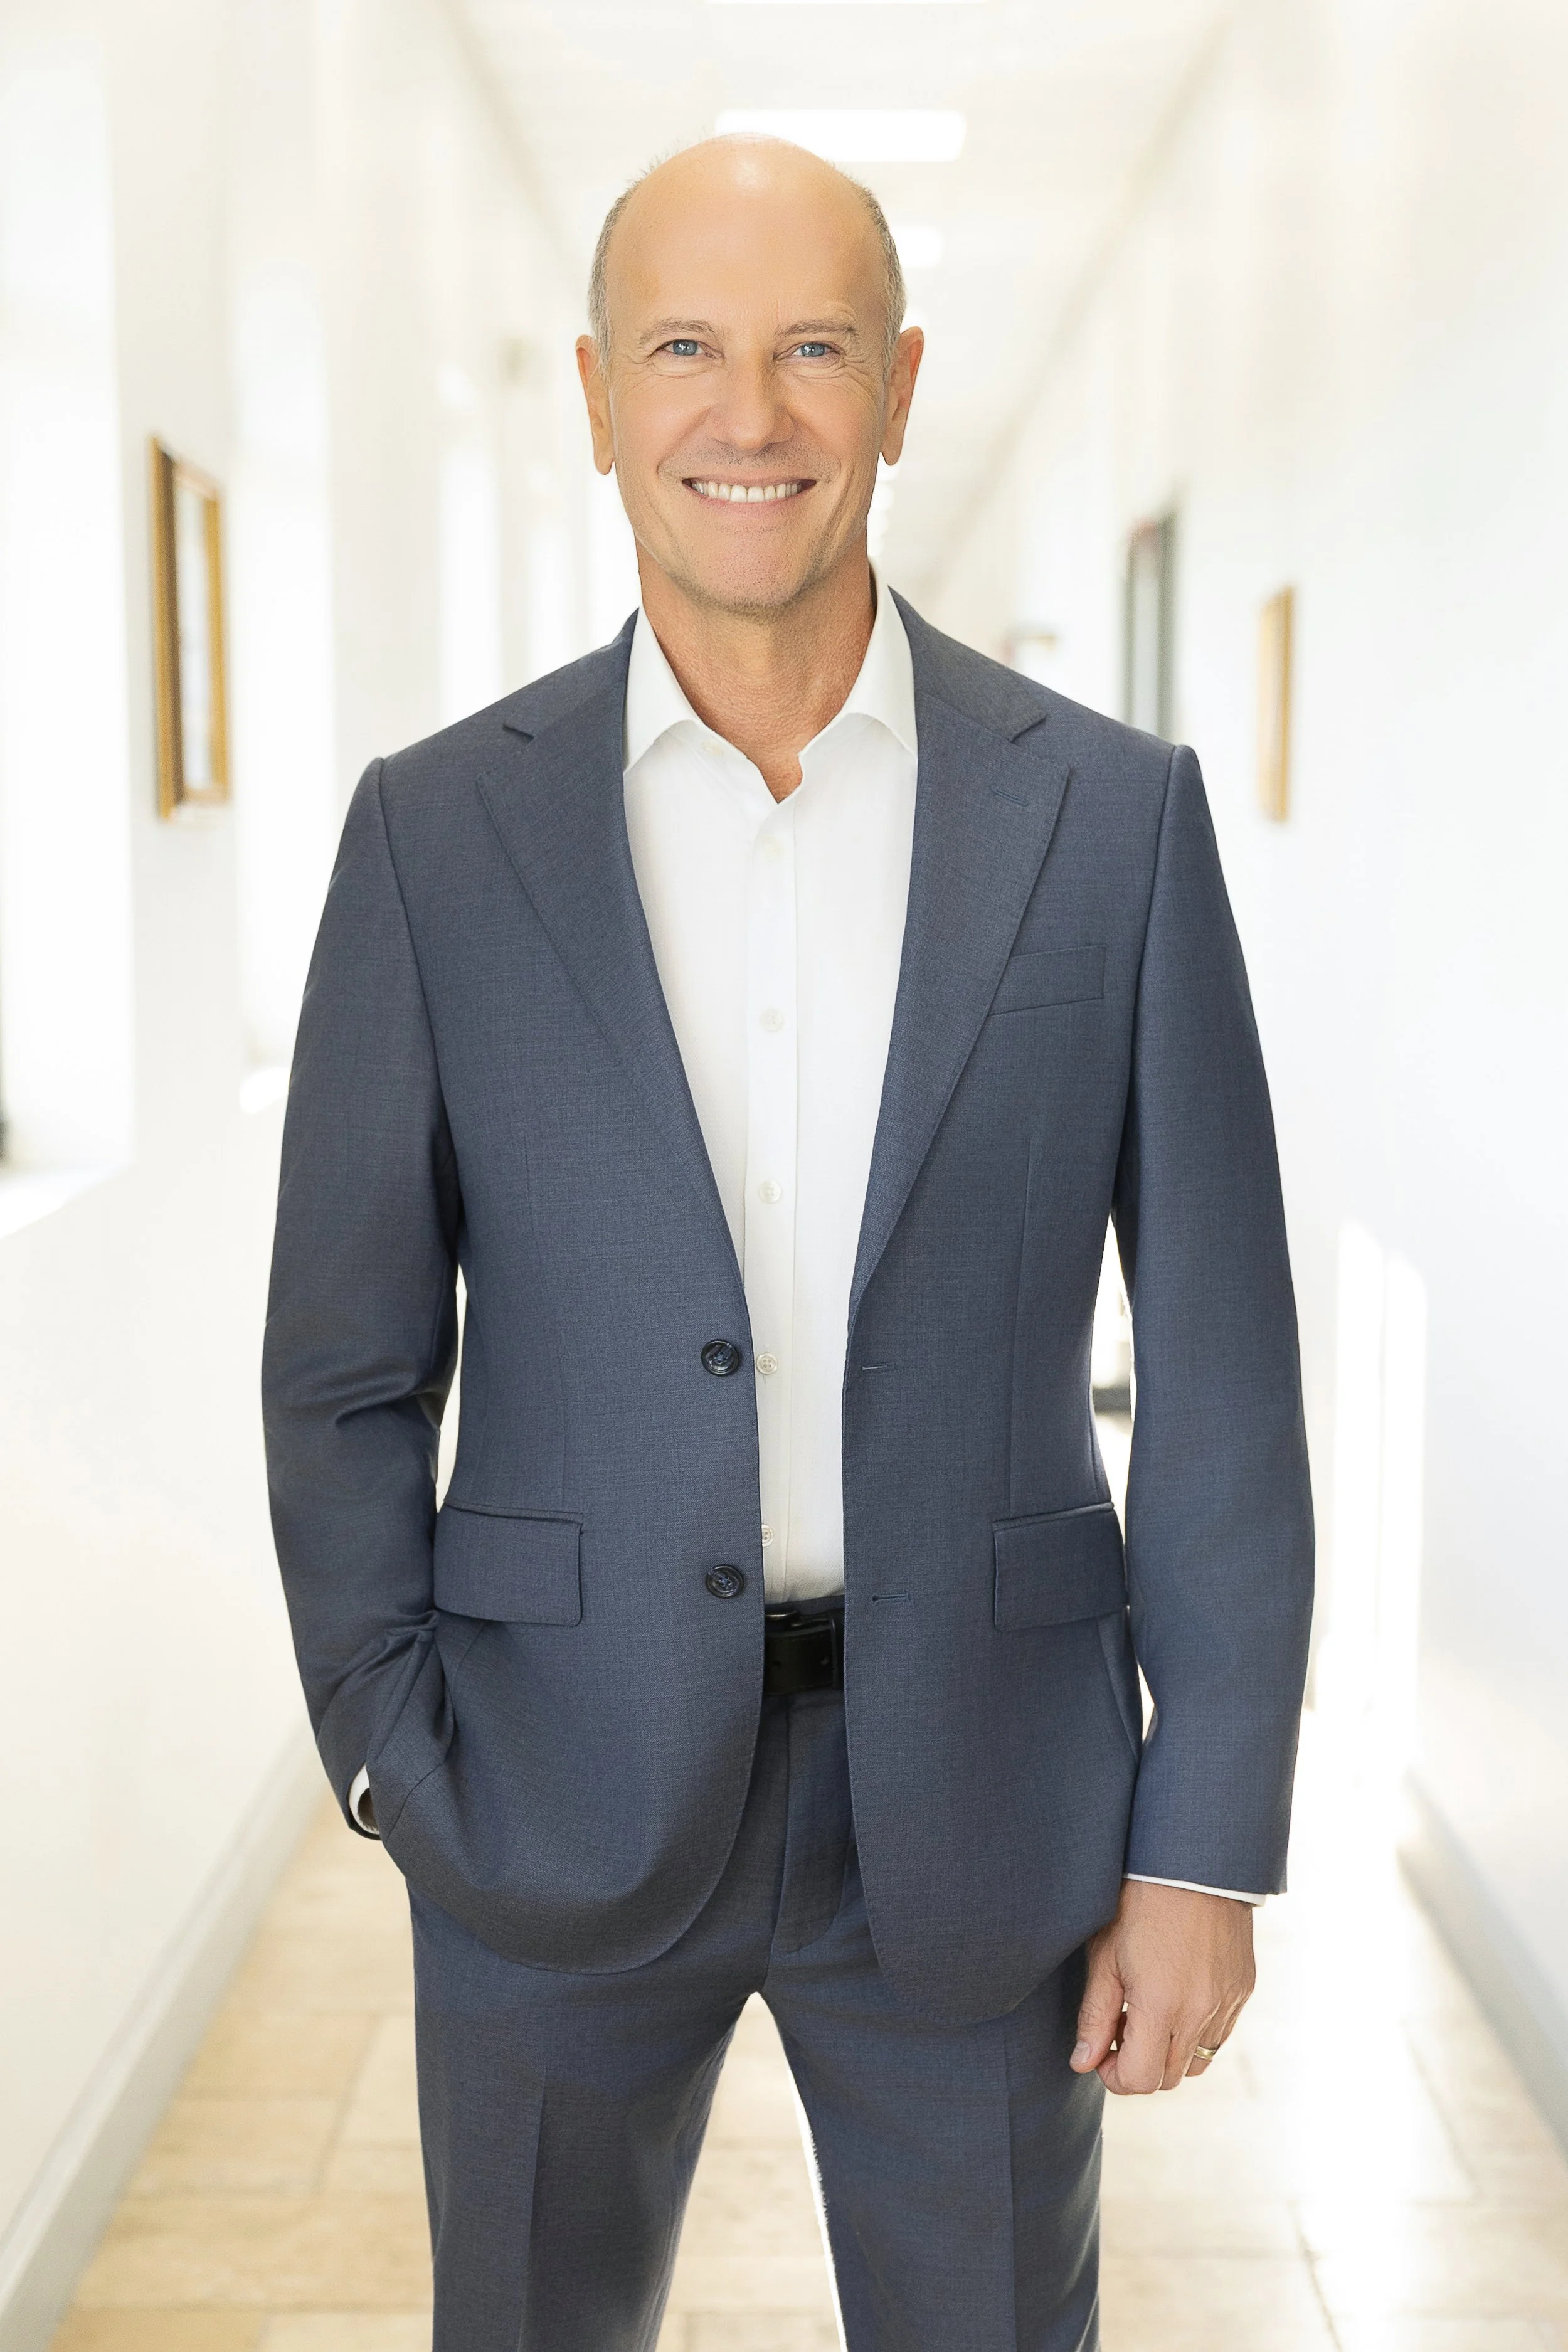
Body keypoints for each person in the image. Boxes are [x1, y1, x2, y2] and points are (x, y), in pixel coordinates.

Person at [263, 134, 1313, 2352]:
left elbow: (1220, 1357)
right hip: (542, 1786)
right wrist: (384, 1739)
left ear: (902, 386)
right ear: (593, 391)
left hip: (987, 1802)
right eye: (685, 350)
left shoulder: (1110, 822)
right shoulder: (436, 835)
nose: (750, 416)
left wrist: (1200, 1841)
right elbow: (346, 1359)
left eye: (812, 349)